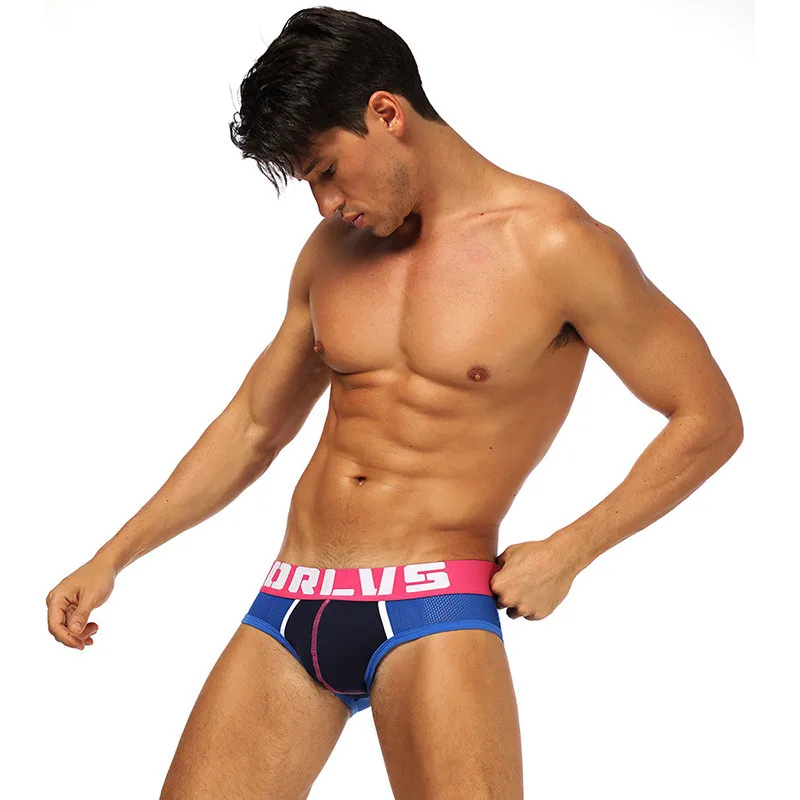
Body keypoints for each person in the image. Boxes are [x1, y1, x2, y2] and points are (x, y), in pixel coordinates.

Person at [45, 6, 744, 799]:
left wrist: (572, 549)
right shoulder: (331, 254)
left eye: (326, 171)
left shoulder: (557, 246)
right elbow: (252, 426)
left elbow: (709, 416)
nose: (325, 204)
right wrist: (114, 555)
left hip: (433, 609)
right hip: (291, 601)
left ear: (387, 114)